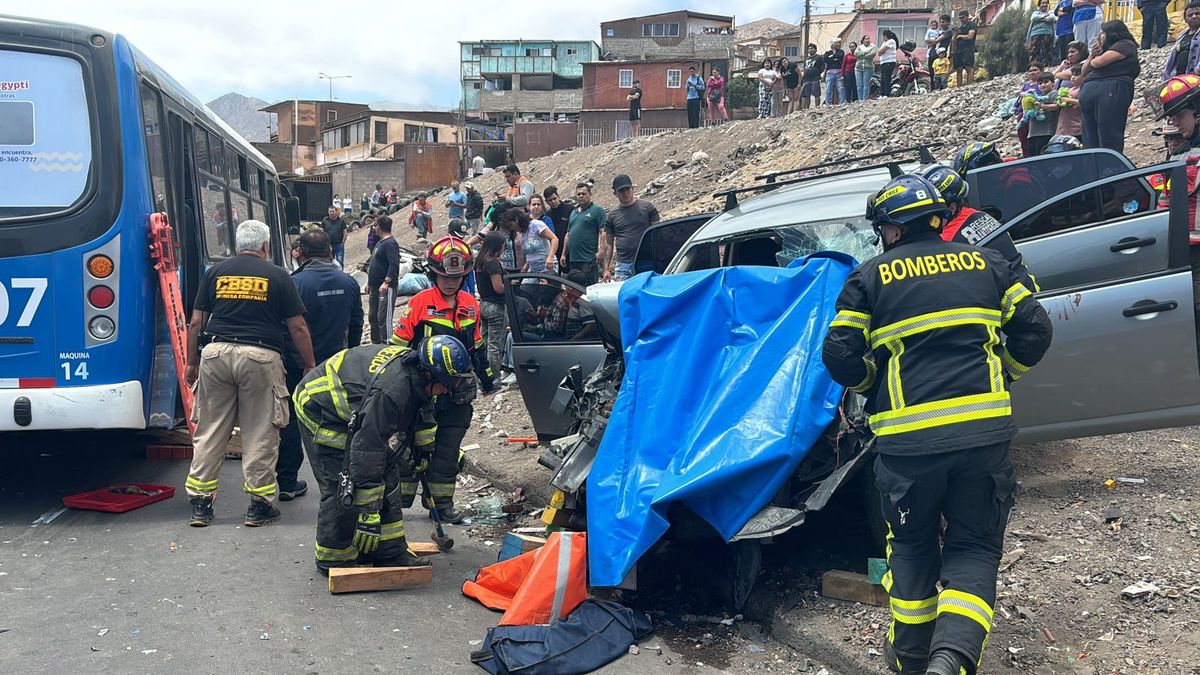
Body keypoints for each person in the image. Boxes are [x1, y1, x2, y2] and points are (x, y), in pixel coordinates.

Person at [822, 174, 1052, 675]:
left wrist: (871, 385)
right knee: (974, 547)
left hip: (909, 446)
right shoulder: (989, 265)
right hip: (983, 439)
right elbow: (1036, 329)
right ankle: (951, 661)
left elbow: (839, 355)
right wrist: (1003, 375)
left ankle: (910, 660)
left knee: (910, 547)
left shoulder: (870, 277)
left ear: (894, 230)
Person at [293, 335, 473, 573]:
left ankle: (389, 552)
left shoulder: (419, 378)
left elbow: (422, 413)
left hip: (359, 414)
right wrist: (369, 511)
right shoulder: (392, 391)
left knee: (387, 473)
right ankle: (334, 556)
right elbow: (367, 446)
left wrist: (423, 452)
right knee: (343, 483)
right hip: (322, 409)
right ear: (429, 374)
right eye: (449, 383)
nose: (451, 389)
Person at [184, 220, 315, 528]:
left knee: (211, 428)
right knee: (260, 430)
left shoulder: (215, 273)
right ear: (266, 246)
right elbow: (297, 327)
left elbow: (195, 323)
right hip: (260, 357)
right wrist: (310, 365)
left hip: (215, 354)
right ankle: (259, 505)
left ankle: (201, 505)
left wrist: (191, 363)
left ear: (237, 245)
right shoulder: (278, 276)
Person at [390, 236, 495, 524]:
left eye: (457, 277)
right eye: (443, 276)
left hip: (456, 392)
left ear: (465, 274)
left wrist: (486, 380)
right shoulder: (419, 304)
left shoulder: (470, 304)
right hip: (421, 392)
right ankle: (397, 503)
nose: (450, 282)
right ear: (433, 273)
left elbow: (476, 346)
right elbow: (396, 347)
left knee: (447, 451)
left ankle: (441, 503)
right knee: (410, 449)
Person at [276, 229, 364, 503]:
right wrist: (349, 356)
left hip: (298, 366)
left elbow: (286, 329)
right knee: (338, 420)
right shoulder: (348, 283)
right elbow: (356, 323)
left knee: (291, 420)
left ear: (300, 252)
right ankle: (341, 481)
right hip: (336, 365)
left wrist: (297, 361)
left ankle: (288, 482)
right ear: (329, 251)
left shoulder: (294, 283)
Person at [919, 164, 1039, 293]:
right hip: (1028, 289)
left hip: (1010, 304)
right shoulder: (981, 216)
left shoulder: (947, 240)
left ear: (951, 208)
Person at [1080, 20, 1139, 152]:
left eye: (1102, 33)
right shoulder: (1102, 51)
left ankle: (1109, 166)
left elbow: (1099, 63)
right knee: (1090, 136)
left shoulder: (1125, 44)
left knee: (1109, 133)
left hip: (1110, 88)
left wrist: (1095, 59)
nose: (1100, 36)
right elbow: (1083, 71)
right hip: (1092, 89)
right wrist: (1092, 54)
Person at [601, 174, 660, 282]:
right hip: (623, 264)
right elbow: (609, 244)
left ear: (633, 189)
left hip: (647, 260)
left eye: (627, 189)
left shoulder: (647, 207)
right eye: (621, 190)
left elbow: (658, 234)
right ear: (615, 193)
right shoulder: (612, 215)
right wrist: (606, 269)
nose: (625, 193)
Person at [474, 233, 508, 375]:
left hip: (483, 305)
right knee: (495, 345)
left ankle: (483, 376)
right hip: (496, 306)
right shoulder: (493, 263)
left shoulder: (480, 261)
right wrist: (511, 286)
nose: (504, 248)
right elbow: (499, 288)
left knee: (484, 343)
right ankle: (494, 377)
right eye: (503, 245)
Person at [563, 182, 607, 285]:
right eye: (578, 194)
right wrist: (564, 254)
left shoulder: (597, 211)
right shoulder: (574, 213)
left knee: (589, 287)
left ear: (590, 194)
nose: (581, 196)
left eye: (584, 193)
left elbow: (603, 231)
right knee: (575, 289)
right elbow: (568, 234)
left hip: (588, 259)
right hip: (573, 259)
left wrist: (601, 250)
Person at [366, 215, 400, 344]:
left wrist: (386, 282)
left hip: (386, 287)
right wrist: (369, 282)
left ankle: (387, 343)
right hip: (374, 286)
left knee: (383, 318)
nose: (374, 228)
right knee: (372, 317)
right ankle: (375, 343)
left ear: (379, 227)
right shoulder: (380, 243)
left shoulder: (390, 244)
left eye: (375, 225)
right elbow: (374, 263)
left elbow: (394, 264)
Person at [1163, 2, 1200, 81]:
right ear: (1185, 20)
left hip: (1196, 81)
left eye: (1197, 13)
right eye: (1190, 15)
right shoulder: (1182, 36)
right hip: (1178, 81)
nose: (1194, 16)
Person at [524, 195, 560, 275]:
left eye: (538, 204)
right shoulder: (524, 222)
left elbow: (553, 238)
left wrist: (550, 256)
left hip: (545, 259)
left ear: (542, 206)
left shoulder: (546, 220)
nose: (536, 206)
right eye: (533, 204)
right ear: (529, 206)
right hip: (532, 263)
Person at [1027, 73, 1061, 156]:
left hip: (1046, 131)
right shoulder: (1038, 96)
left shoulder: (1054, 93)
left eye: (1046, 82)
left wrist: (1042, 106)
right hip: (1033, 132)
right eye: (1040, 83)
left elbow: (1056, 106)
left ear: (1053, 83)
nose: (1043, 85)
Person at [1050, 64, 1084, 138]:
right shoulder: (1069, 89)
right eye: (1072, 75)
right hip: (1063, 127)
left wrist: (1068, 100)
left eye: (1077, 75)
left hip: (1077, 127)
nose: (1073, 77)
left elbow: (1084, 103)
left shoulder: (1084, 88)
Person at [1028, 0, 1058, 69]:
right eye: (1042, 3)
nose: (1044, 4)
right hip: (1036, 34)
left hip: (1048, 34)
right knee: (1034, 52)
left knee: (1047, 52)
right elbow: (1033, 18)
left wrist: (1040, 18)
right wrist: (1045, 17)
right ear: (1039, 5)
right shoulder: (1035, 13)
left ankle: (1046, 67)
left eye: (1046, 3)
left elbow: (1053, 18)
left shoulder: (1051, 12)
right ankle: (1033, 68)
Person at [953, 10, 978, 86]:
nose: (961, 19)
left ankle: (969, 85)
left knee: (968, 68)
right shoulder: (960, 28)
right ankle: (959, 87)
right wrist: (956, 34)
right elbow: (954, 40)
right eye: (960, 18)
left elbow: (970, 36)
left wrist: (960, 36)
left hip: (968, 49)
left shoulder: (972, 25)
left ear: (967, 16)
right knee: (959, 69)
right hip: (958, 50)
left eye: (963, 17)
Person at [877, 30, 899, 97]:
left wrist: (882, 52)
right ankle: (882, 93)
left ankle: (886, 94)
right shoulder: (884, 43)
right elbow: (879, 53)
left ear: (885, 36)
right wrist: (881, 52)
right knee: (883, 78)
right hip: (883, 62)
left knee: (887, 78)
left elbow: (881, 51)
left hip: (889, 62)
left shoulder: (891, 41)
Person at [823, 40, 846, 105]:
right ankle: (828, 103)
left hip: (839, 72)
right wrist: (834, 57)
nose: (837, 45)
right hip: (830, 73)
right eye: (835, 44)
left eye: (837, 43)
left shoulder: (841, 51)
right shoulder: (827, 52)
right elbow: (825, 59)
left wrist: (832, 56)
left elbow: (840, 56)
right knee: (828, 88)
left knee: (840, 88)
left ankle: (842, 102)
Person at [855, 35, 878, 101]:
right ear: (863, 40)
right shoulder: (859, 47)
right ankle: (860, 99)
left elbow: (872, 55)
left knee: (866, 84)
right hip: (858, 68)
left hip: (868, 67)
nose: (868, 40)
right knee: (859, 85)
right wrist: (865, 52)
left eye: (869, 39)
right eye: (866, 39)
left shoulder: (873, 46)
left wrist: (861, 56)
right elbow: (856, 54)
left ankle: (864, 99)